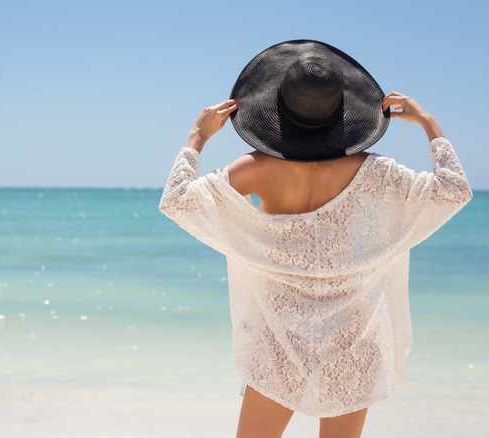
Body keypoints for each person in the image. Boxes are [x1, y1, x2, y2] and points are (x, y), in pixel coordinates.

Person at [159, 40, 472, 438]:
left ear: (278, 109)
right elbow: (453, 191)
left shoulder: (257, 168)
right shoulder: (375, 172)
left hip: (278, 336)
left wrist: (197, 137)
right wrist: (428, 122)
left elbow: (179, 202)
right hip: (353, 338)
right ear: (342, 112)